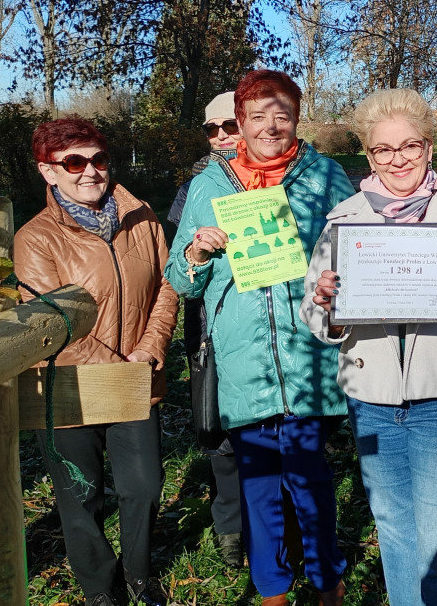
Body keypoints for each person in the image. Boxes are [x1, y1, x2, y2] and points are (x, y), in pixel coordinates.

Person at [300, 88, 437, 605]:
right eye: (383, 150)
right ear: (368, 153)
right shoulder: (344, 222)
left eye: (410, 146)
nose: (398, 159)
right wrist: (327, 305)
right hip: (372, 396)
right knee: (396, 531)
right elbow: (313, 315)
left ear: (429, 147)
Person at [164, 70, 354, 606]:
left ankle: (326, 581)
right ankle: (271, 588)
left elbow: (356, 248)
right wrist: (197, 252)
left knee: (311, 479)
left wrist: (335, 279)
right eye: (258, 115)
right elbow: (179, 279)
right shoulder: (208, 185)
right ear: (240, 122)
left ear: (296, 119)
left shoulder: (325, 177)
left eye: (283, 115)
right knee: (258, 483)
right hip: (243, 357)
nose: (271, 125)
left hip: (307, 355)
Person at [14, 118, 178, 606]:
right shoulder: (35, 238)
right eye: (74, 162)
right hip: (69, 386)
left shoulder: (143, 217)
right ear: (49, 172)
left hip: (139, 375)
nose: (90, 171)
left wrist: (150, 348)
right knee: (80, 496)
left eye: (98, 159)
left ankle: (140, 573)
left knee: (144, 487)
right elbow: (53, 322)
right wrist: (121, 366)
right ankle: (99, 588)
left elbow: (168, 286)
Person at [166, 91, 243, 568]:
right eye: (211, 129)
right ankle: (230, 526)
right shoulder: (196, 187)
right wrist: (197, 251)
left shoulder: (285, 181)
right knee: (218, 432)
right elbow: (178, 267)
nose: (220, 138)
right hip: (209, 330)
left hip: (273, 330)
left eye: (229, 127)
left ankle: (277, 524)